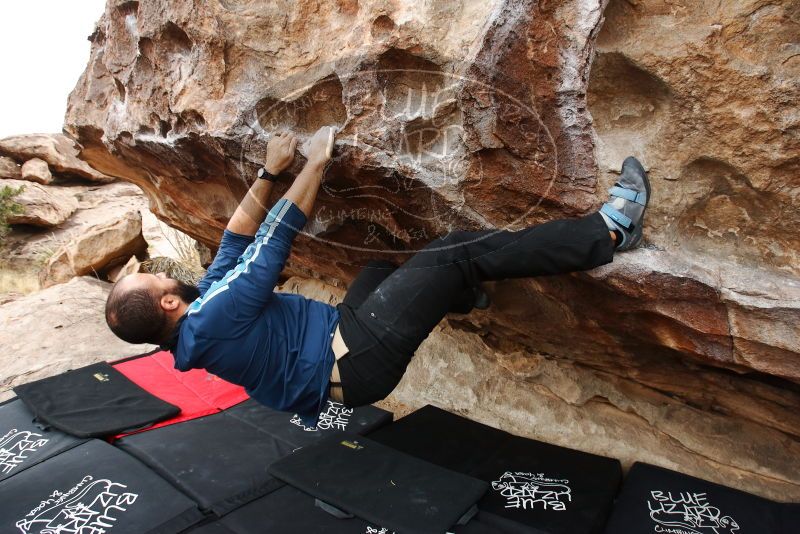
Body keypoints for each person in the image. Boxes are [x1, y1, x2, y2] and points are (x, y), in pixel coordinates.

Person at [105, 125, 650, 428]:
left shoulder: (196, 320)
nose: (162, 276)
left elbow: (233, 242)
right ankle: (608, 231)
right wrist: (315, 162)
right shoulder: (215, 317)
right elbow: (271, 242)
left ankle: (461, 296)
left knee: (379, 269)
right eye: (156, 283)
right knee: (454, 250)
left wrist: (272, 170)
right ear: (169, 305)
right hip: (357, 362)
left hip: (342, 345)